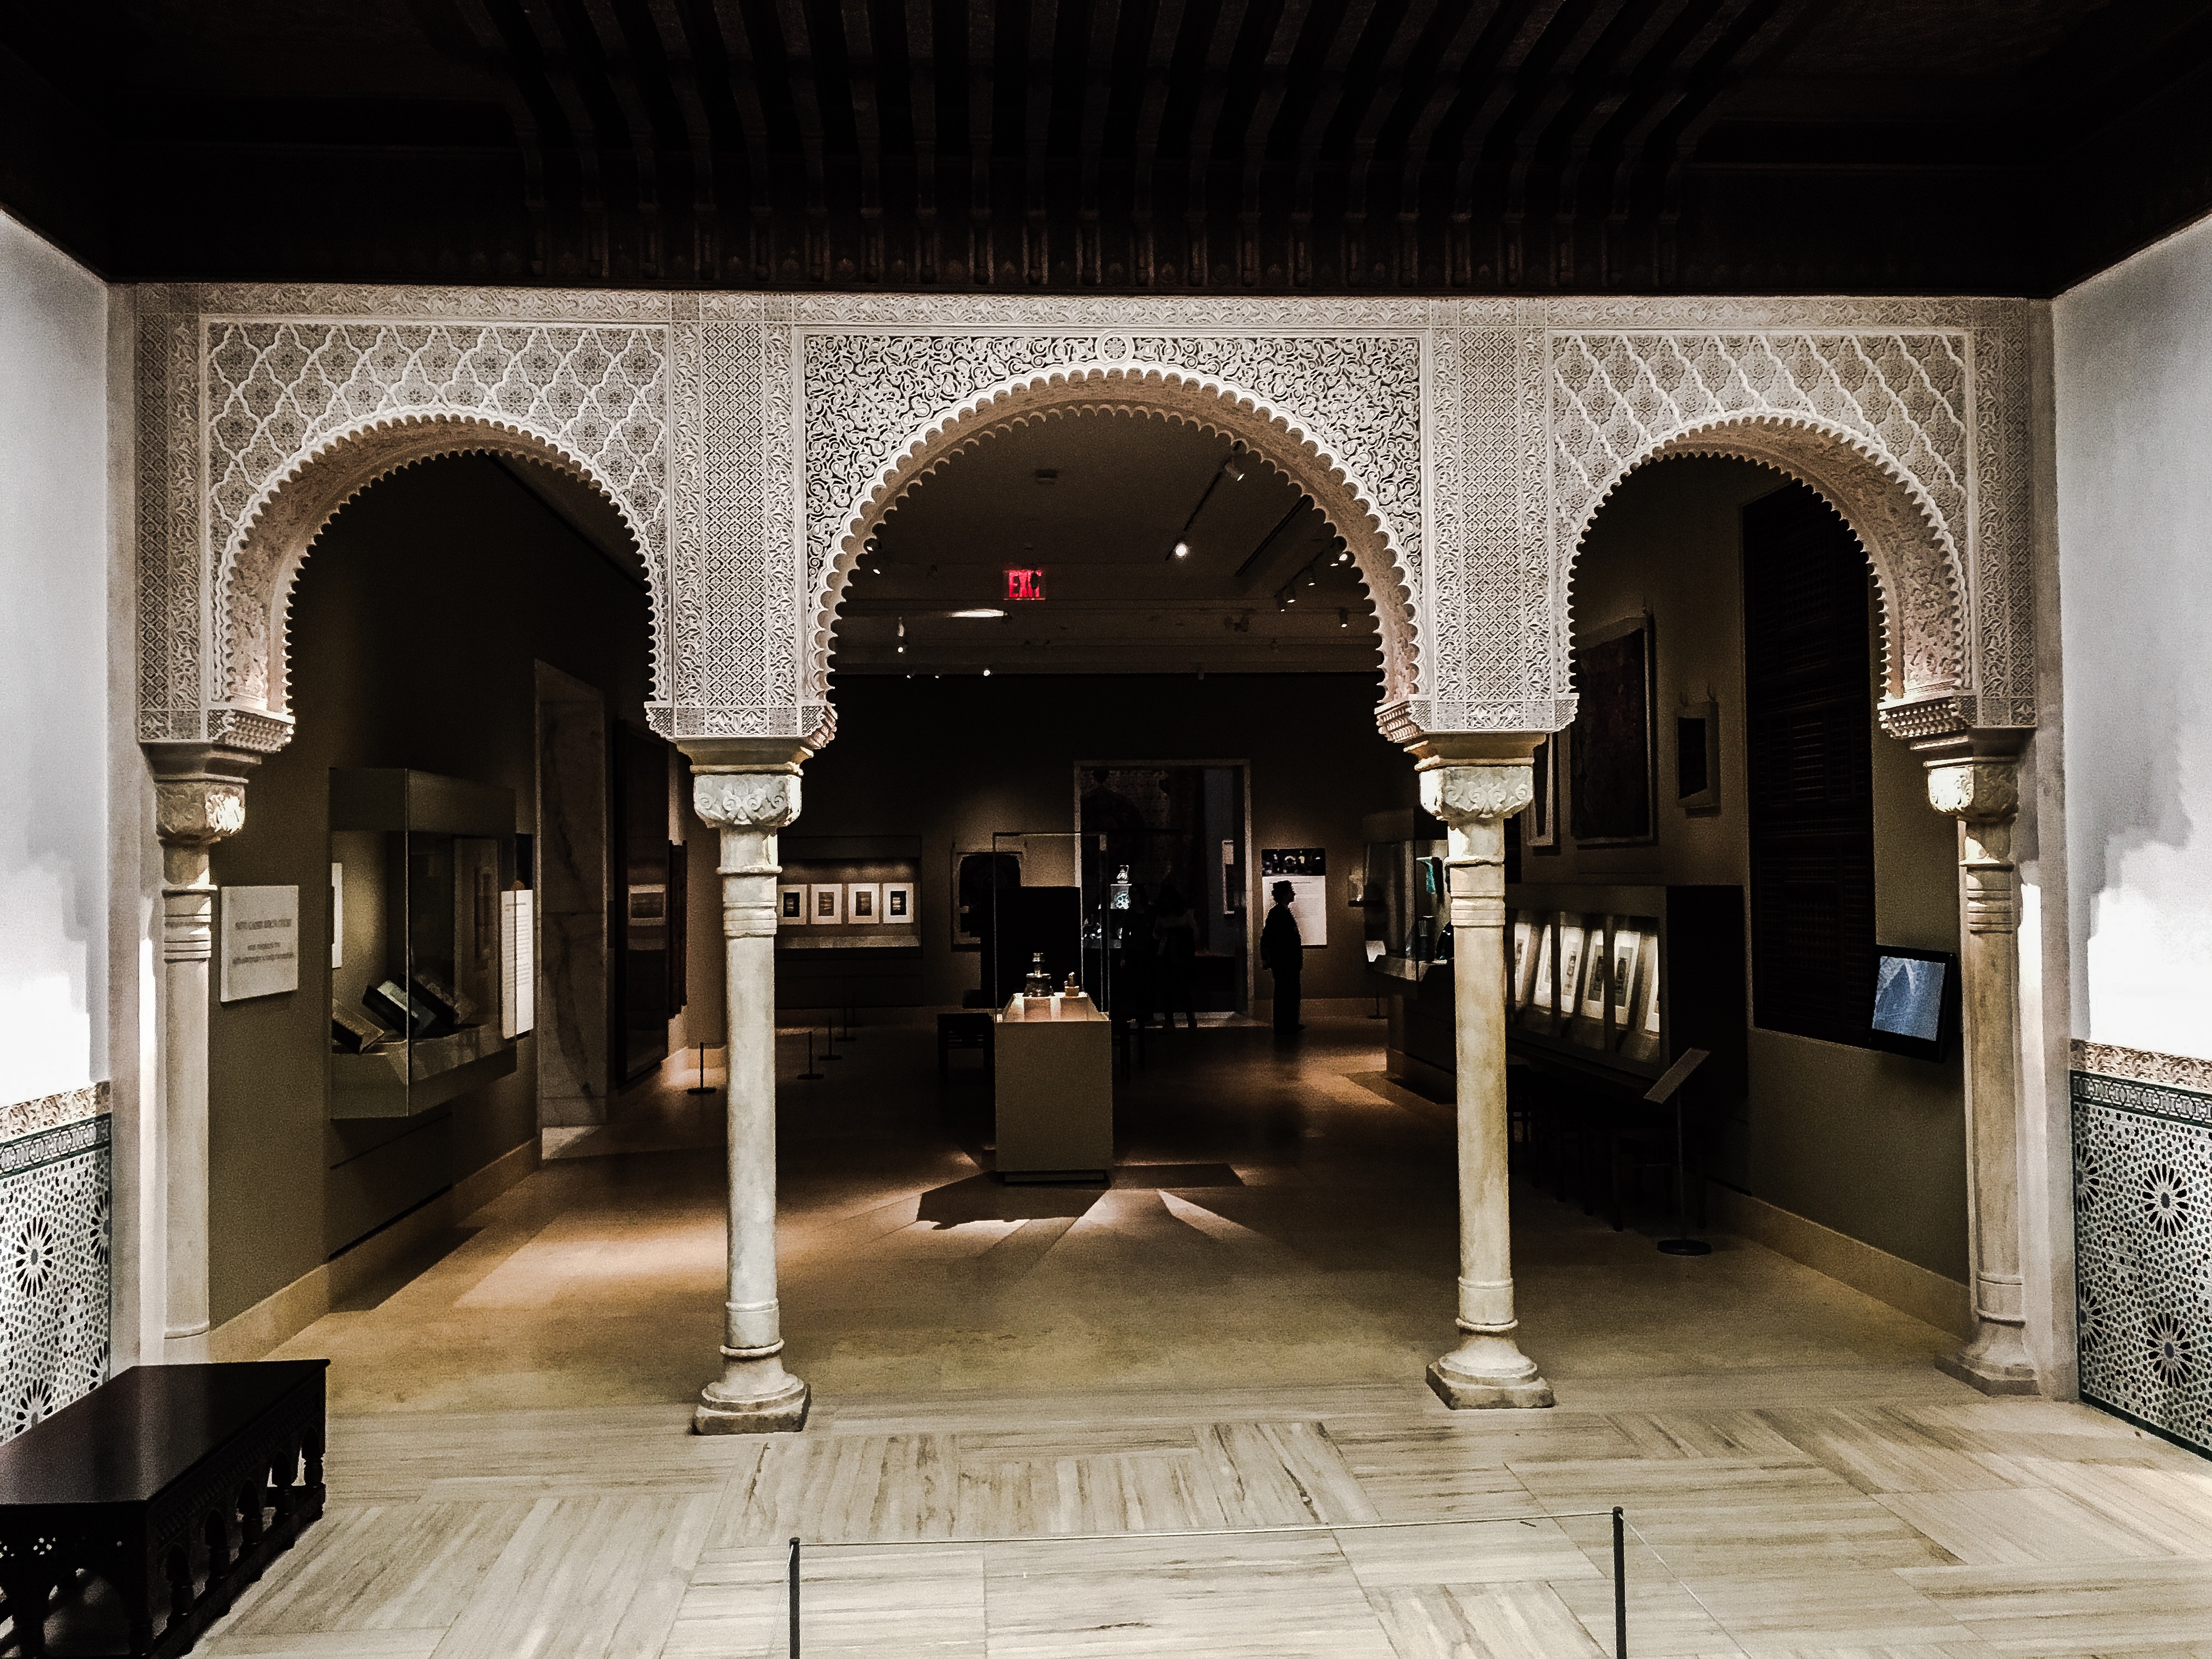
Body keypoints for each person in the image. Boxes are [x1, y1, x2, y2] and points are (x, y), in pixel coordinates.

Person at [1152, 883, 1199, 1029]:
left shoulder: (1173, 916)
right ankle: (1182, 1019)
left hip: (1177, 955)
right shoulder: (1180, 916)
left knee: (1178, 989)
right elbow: (1195, 933)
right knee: (1174, 989)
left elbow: (1155, 935)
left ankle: (1176, 1020)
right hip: (1172, 955)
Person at [1261, 880, 1304, 1035]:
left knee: (1288, 992)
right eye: (1291, 891)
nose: (1294, 893)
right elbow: (1270, 938)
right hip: (1285, 962)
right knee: (1286, 993)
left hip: (1286, 962)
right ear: (1285, 894)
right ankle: (1285, 1024)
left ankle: (1289, 1023)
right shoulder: (1278, 914)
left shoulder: (1280, 912)